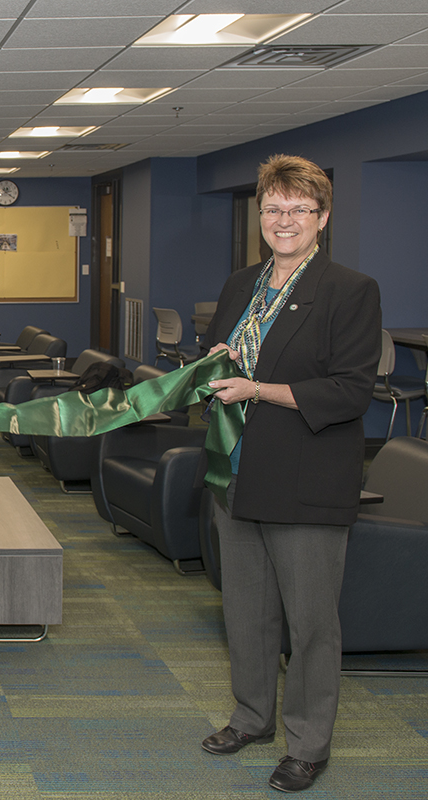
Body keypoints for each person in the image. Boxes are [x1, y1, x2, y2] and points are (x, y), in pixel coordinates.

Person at [200, 154, 381, 793]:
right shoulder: (240, 284)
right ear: (260, 216)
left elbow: (350, 390)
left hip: (306, 479)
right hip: (237, 474)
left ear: (322, 218)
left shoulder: (350, 290)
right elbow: (222, 357)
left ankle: (308, 743)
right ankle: (252, 717)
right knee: (246, 613)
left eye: (299, 210)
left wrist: (260, 389)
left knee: (310, 625)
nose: (284, 221)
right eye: (273, 209)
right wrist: (215, 363)